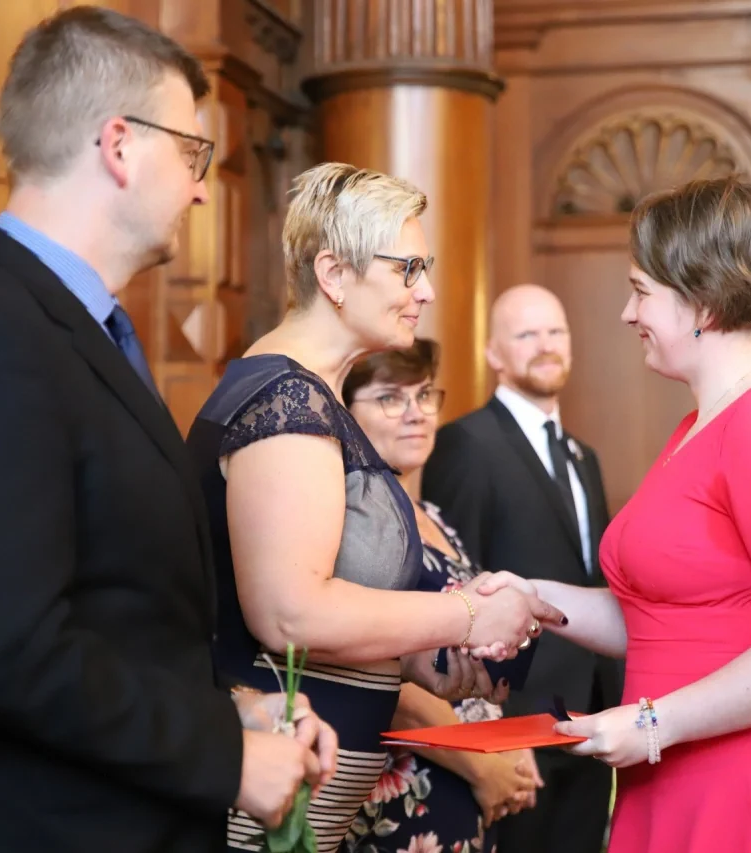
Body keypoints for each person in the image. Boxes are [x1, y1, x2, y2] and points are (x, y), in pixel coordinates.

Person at [0, 8, 335, 853]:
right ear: (120, 145)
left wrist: (232, 711)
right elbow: (5, 650)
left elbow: (116, 614)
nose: (201, 187)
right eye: (192, 153)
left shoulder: (67, 326)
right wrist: (222, 756)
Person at [478, 176, 751, 852]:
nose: (627, 313)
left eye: (640, 291)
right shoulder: (700, 425)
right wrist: (534, 596)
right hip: (681, 778)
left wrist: (653, 722)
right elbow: (661, 622)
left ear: (700, 299)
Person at [186, 162, 564, 853]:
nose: (426, 291)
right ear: (334, 274)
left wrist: (418, 657)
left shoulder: (309, 395)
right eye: (407, 268)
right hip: (268, 810)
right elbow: (290, 613)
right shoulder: (287, 401)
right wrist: (467, 615)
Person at [422, 284, 621, 852]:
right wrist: (489, 724)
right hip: (516, 718)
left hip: (591, 716)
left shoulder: (584, 457)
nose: (546, 345)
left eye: (556, 331)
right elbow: (456, 585)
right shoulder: (465, 444)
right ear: (493, 353)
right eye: (526, 334)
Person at [342, 340, 544, 853]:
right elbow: (371, 665)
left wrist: (507, 744)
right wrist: (481, 766)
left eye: (425, 394)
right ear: (345, 412)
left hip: (469, 787)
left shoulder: (434, 515)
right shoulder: (354, 523)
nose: (416, 413)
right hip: (410, 790)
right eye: (391, 398)